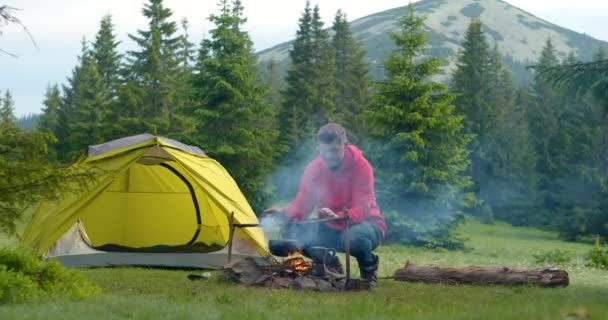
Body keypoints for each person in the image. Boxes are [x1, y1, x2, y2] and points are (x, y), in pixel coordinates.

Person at [264, 123, 385, 286]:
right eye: (324, 151)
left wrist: (339, 216)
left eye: (334, 151)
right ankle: (330, 263)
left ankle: (368, 269)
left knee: (354, 237)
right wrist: (284, 214)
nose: (329, 156)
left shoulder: (362, 167)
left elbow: (362, 207)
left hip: (364, 225)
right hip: (331, 227)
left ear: (345, 145)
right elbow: (303, 203)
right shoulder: (314, 168)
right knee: (292, 230)